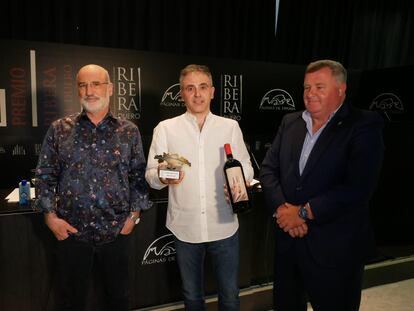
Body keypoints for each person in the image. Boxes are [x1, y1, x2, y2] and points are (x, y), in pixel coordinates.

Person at [259, 59, 384, 311]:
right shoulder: (290, 122)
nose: (310, 93)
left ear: (341, 90)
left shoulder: (363, 124)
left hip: (335, 249)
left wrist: (303, 212)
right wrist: (284, 210)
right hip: (289, 244)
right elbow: (268, 170)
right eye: (307, 87)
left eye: (319, 87)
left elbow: (358, 186)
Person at [35, 64, 150, 311]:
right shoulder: (59, 129)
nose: (89, 91)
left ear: (109, 88)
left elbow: (138, 178)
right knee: (70, 302)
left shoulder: (129, 131)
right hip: (72, 233)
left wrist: (134, 217)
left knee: (117, 300)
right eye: (83, 85)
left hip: (116, 232)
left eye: (96, 84)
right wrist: (50, 217)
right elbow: (45, 175)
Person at [145, 64, 254, 310]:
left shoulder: (230, 127)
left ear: (213, 91)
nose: (197, 94)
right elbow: (151, 175)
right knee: (192, 296)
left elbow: (247, 167)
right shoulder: (166, 129)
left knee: (230, 296)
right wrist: (164, 176)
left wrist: (238, 182)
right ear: (181, 93)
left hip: (224, 225)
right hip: (185, 228)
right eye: (190, 88)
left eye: (203, 87)